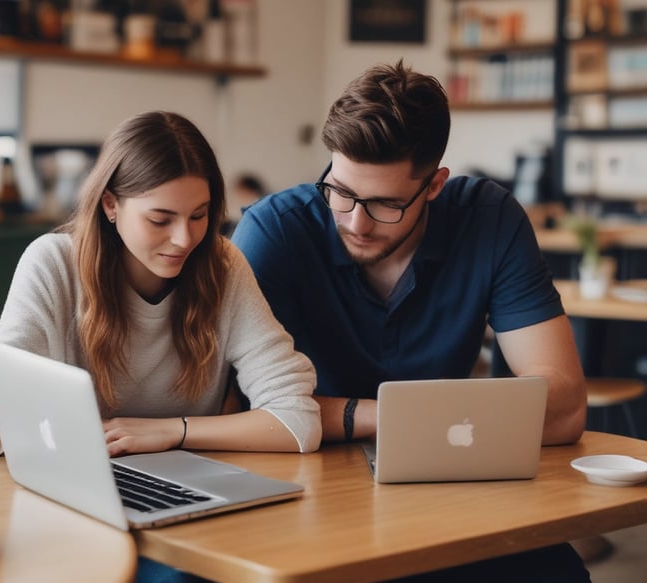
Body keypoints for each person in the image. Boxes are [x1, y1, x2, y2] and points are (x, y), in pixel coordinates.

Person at [231, 61, 589, 582]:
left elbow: (563, 406)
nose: (355, 222)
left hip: (452, 484)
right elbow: (238, 408)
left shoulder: (487, 218)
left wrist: (348, 415)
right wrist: (404, 418)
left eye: (386, 204)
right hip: (310, 488)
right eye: (340, 191)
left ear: (435, 185)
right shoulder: (276, 231)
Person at [0, 111, 321, 580]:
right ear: (111, 205)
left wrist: (171, 431)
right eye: (160, 219)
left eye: (199, 215)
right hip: (76, 500)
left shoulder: (223, 267)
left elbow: (297, 421)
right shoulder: (53, 264)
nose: (184, 238)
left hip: (187, 503)